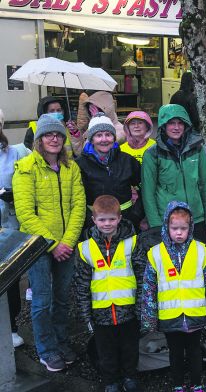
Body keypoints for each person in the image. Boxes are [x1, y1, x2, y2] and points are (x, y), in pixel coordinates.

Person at [13, 113, 86, 371]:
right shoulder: (25, 169)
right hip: (38, 248)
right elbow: (25, 214)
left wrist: (67, 241)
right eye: (48, 134)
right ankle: (46, 349)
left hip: (66, 244)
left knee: (62, 299)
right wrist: (54, 244)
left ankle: (62, 342)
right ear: (39, 139)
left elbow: (78, 206)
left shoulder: (71, 168)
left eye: (58, 134)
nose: (54, 139)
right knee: (42, 300)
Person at [140, 201, 206, 392]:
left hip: (194, 314)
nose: (179, 233)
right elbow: (149, 289)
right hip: (170, 316)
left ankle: (197, 384)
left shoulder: (201, 251)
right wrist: (149, 318)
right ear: (166, 227)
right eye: (174, 228)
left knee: (194, 352)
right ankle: (178, 384)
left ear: (190, 227)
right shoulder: (156, 254)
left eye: (183, 228)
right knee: (175, 354)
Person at [74, 195, 143, 392]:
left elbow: (141, 274)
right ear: (94, 220)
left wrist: (140, 307)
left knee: (130, 348)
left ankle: (130, 377)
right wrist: (86, 314)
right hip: (100, 313)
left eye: (112, 219)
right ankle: (111, 381)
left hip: (128, 310)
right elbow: (81, 283)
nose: (107, 223)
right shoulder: (85, 248)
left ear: (120, 218)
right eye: (102, 219)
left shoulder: (132, 242)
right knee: (106, 352)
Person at [141, 104, 206, 246]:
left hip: (196, 218)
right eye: (171, 123)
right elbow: (148, 193)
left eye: (180, 123)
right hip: (170, 221)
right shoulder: (153, 154)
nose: (176, 127)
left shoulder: (197, 150)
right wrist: (156, 225)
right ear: (163, 125)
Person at [76, 114, 142, 227]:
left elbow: (145, 189)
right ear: (91, 139)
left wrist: (135, 215)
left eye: (108, 134)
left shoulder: (127, 161)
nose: (104, 139)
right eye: (98, 135)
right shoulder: (80, 164)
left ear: (114, 137)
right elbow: (77, 200)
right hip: (94, 225)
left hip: (126, 222)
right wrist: (89, 222)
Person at [0, 109, 30, 349]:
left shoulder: (17, 152)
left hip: (10, 225)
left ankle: (10, 327)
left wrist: (16, 194)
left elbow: (35, 169)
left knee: (9, 277)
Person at [75, 91, 126, 155]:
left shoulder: (120, 131)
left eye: (95, 109)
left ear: (107, 109)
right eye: (90, 109)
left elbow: (97, 151)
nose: (92, 113)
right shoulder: (91, 127)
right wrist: (75, 135)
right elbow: (79, 152)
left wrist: (97, 122)